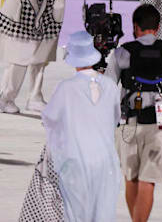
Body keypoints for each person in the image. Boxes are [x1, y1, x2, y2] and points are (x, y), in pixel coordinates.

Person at [104, 4, 162, 222]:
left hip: (129, 119)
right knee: (148, 180)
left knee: (132, 177)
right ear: (157, 28)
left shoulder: (123, 52)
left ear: (135, 27)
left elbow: (109, 87)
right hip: (161, 120)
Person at [39, 31, 122, 222]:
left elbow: (50, 119)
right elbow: (115, 119)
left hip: (75, 161)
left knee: (75, 214)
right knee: (103, 214)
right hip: (105, 161)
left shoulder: (66, 88)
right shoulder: (109, 85)